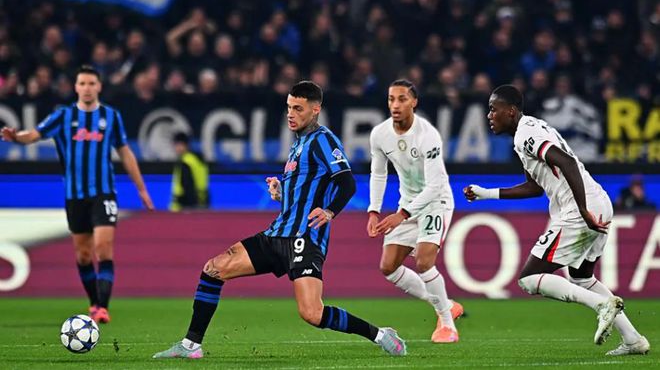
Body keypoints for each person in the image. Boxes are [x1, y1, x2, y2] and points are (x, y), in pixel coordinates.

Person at [153, 81, 407, 359]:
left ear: (315, 110)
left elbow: (347, 182)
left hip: (304, 239)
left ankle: (380, 334)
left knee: (312, 313)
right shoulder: (298, 145)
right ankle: (191, 346)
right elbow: (303, 191)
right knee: (214, 269)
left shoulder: (323, 140)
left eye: (298, 108)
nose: (290, 114)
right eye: (288, 107)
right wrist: (281, 192)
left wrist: (330, 211)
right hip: (276, 235)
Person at [464, 84, 649, 356]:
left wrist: (582, 210)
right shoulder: (529, 131)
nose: (489, 115)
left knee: (529, 278)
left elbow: (567, 162)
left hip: (580, 208)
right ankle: (633, 339)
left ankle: (601, 306)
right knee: (581, 277)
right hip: (598, 202)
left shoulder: (526, 134)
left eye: (493, 109)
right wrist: (486, 193)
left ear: (511, 111)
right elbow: (534, 187)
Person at [1, 64, 154, 323]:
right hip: (75, 195)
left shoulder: (110, 117)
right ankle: (94, 302)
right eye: (82, 83)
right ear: (76, 87)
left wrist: (141, 188)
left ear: (99, 86)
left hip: (104, 192)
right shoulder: (63, 116)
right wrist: (16, 137)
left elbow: (125, 152)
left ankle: (102, 307)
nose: (87, 88)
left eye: (91, 83)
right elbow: (34, 135)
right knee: (83, 255)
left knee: (103, 248)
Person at [367, 79, 463, 343]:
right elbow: (378, 173)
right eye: (391, 99)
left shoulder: (428, 136)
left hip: (435, 202)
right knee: (388, 267)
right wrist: (373, 211)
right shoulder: (380, 134)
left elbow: (434, 186)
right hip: (408, 204)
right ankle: (447, 305)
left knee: (423, 261)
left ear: (414, 102)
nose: (395, 105)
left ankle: (447, 325)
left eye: (402, 99)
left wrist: (402, 215)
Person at [169, 132, 210, 211]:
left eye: (179, 145)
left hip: (184, 208)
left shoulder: (186, 162)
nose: (177, 148)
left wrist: (190, 207)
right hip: (202, 204)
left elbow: (188, 187)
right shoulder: (198, 161)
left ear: (186, 145)